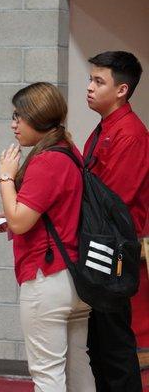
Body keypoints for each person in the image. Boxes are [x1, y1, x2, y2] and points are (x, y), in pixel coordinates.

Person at [0, 82, 95, 391]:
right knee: (77, 369)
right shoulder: (68, 150)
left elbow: (21, 221)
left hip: (47, 278)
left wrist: (6, 176)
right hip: (74, 278)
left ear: (37, 118)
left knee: (47, 373)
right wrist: (11, 216)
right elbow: (42, 213)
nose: (13, 124)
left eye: (19, 116)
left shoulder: (46, 161)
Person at [84, 50, 148, 392]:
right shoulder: (104, 128)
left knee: (116, 351)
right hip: (98, 249)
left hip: (113, 252)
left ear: (122, 90)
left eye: (98, 81)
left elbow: (111, 203)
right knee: (99, 348)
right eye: (90, 79)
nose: (90, 88)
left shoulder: (130, 135)